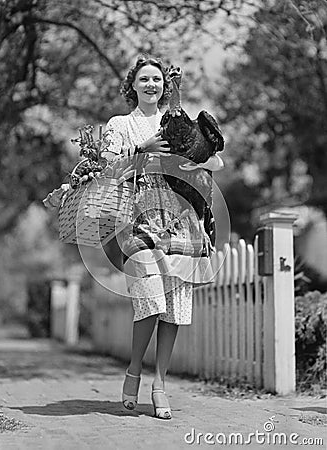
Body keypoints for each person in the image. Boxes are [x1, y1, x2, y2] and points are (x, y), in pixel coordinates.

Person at [100, 55, 215, 420]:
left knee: (174, 307)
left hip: (181, 219)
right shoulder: (119, 125)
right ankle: (134, 369)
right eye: (145, 79)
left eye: (158, 79)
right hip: (138, 219)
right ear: (132, 84)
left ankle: (160, 384)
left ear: (166, 86)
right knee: (149, 298)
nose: (152, 85)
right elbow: (105, 167)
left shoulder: (178, 122)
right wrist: (141, 150)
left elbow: (216, 163)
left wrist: (194, 159)